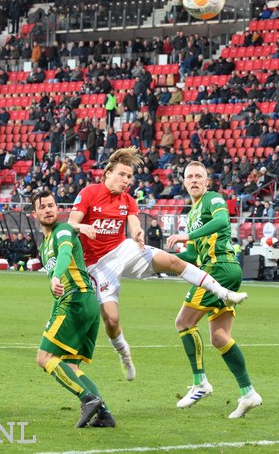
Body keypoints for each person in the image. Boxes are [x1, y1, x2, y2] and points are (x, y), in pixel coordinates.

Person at [68, 147, 247, 381]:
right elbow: (71, 224)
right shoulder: (89, 193)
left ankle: (223, 292)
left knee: (171, 259)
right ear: (108, 173)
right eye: (122, 175)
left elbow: (133, 223)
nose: (126, 181)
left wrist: (138, 232)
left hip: (123, 250)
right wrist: (83, 227)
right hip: (98, 266)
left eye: (129, 177)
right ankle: (124, 354)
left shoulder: (128, 200)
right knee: (111, 320)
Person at [166, 161, 262, 418]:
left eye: (199, 176)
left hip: (220, 269)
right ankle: (248, 393)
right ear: (184, 182)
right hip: (216, 270)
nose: (195, 180)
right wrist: (162, 258)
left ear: (207, 181)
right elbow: (192, 254)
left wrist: (186, 236)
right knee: (219, 337)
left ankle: (200, 383)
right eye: (190, 177)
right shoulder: (192, 213)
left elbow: (221, 222)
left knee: (183, 322)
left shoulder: (213, 199)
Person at [32, 190, 113, 428]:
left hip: (75, 300)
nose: (48, 209)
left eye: (51, 205)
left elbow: (66, 254)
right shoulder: (44, 244)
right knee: (70, 365)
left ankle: (88, 398)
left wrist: (55, 277)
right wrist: (55, 283)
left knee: (44, 358)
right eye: (43, 206)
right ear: (34, 213)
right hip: (81, 301)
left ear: (58, 209)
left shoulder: (63, 231)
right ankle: (104, 414)